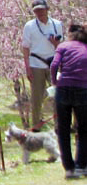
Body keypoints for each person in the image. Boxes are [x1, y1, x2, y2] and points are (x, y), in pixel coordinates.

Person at [51, 24, 87, 178]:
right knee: (84, 129)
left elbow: (54, 65)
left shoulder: (63, 46)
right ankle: (81, 165)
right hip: (82, 90)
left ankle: (69, 168)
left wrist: (55, 82)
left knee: (63, 130)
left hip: (63, 88)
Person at [23, 0, 63, 129]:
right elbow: (26, 47)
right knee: (37, 97)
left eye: (42, 9)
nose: (40, 13)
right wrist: (27, 68)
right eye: (37, 11)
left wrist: (56, 44)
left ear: (47, 9)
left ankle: (59, 124)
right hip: (36, 63)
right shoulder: (29, 26)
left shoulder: (57, 24)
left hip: (53, 62)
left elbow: (61, 45)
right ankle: (36, 124)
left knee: (58, 94)